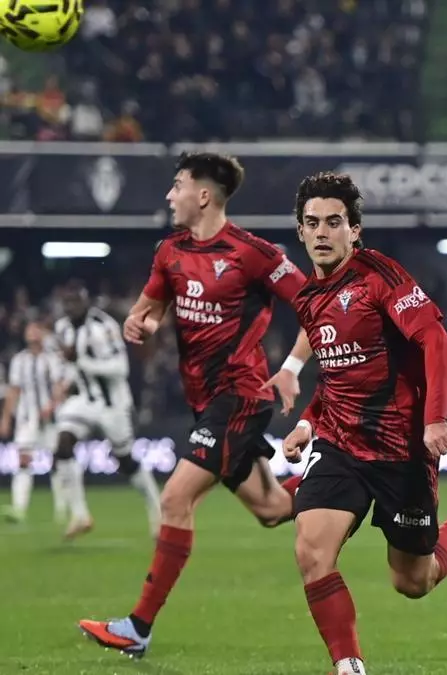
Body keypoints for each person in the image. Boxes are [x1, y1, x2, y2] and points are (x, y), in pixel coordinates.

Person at [79, 152, 313, 659]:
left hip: (240, 397)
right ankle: (351, 475)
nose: (170, 195)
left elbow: (317, 307)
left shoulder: (253, 254)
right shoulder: (170, 252)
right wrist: (141, 323)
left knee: (175, 499)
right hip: (205, 404)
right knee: (273, 509)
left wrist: (291, 368)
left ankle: (137, 627)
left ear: (203, 195)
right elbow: (149, 309)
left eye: (178, 185)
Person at [281, 172, 447, 675]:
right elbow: (334, 374)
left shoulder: (379, 276)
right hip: (340, 445)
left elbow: (437, 341)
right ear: (300, 231)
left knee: (413, 581)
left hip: (401, 450)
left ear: (354, 230)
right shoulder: (308, 298)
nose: (322, 232)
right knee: (312, 551)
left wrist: (435, 419)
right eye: (312, 223)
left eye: (333, 222)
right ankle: (349, 666)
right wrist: (308, 424)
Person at [53, 282, 161, 539]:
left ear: (85, 302)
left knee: (125, 461)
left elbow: (120, 369)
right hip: (85, 400)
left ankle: (157, 508)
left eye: (75, 302)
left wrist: (82, 362)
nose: (71, 308)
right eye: (67, 303)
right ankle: (80, 515)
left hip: (113, 404)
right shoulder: (62, 328)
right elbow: (69, 367)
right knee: (63, 444)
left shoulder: (104, 326)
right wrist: (64, 383)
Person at [0, 321, 67, 524]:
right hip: (27, 418)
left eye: (36, 330)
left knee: (58, 462)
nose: (32, 333)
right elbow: (14, 391)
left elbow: (59, 386)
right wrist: (5, 418)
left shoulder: (51, 359)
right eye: (29, 330)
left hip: (50, 418)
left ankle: (62, 509)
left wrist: (52, 405)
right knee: (23, 460)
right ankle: (19, 509)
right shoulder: (19, 360)